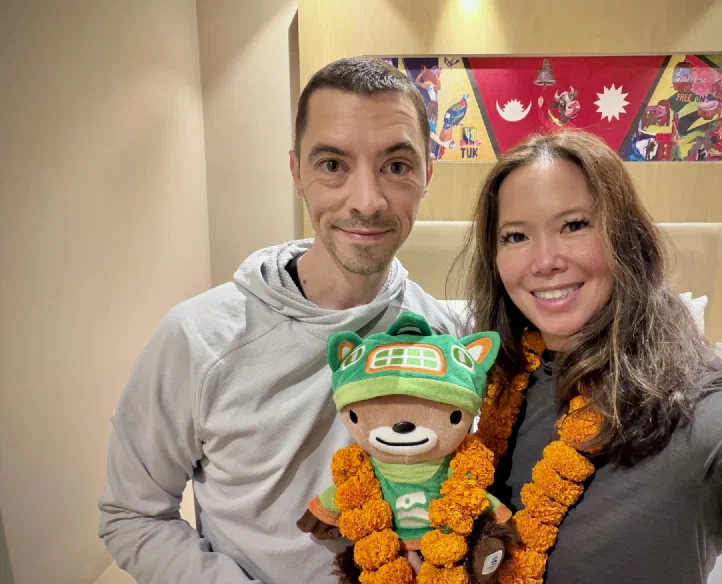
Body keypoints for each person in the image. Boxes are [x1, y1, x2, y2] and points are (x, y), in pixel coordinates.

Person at [97, 56, 457, 584]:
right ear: (297, 174)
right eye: (333, 165)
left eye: (396, 166)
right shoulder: (199, 339)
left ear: (428, 173)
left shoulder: (448, 338)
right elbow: (131, 516)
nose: (367, 200)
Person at [458, 131, 722, 583]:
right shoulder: (477, 387)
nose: (544, 260)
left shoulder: (698, 409)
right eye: (516, 235)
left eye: (575, 225)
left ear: (627, 236)